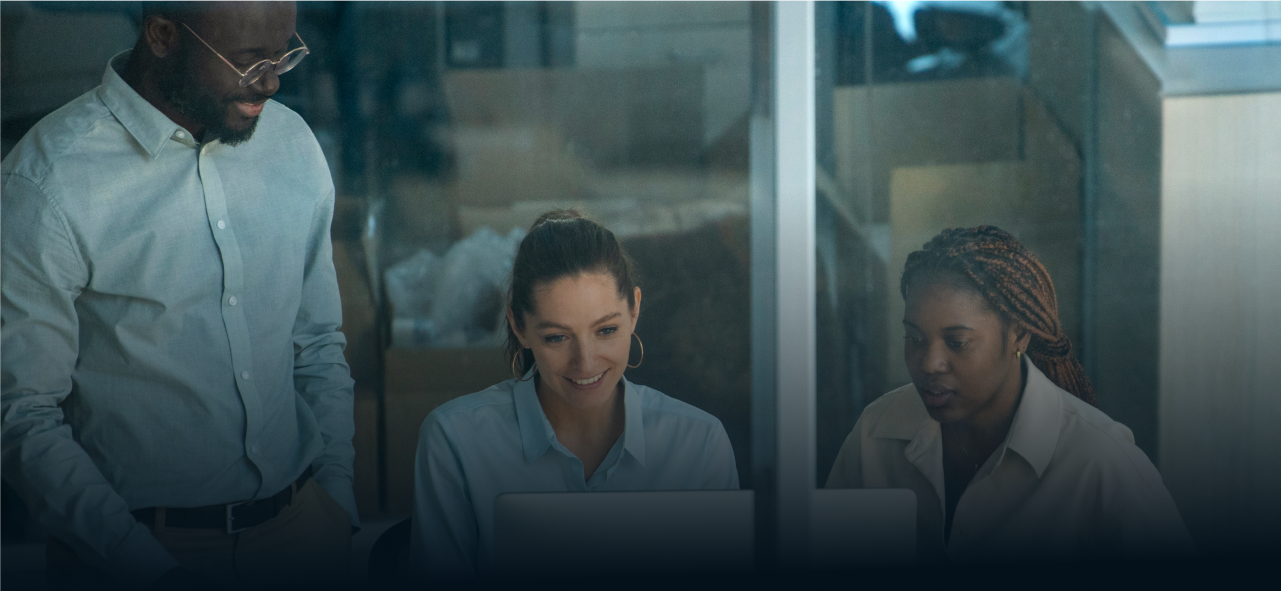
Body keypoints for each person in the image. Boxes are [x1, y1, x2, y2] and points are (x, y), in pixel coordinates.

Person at [0, 0, 356, 588]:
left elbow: (316, 341)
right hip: (131, 552)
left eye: (282, 54)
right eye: (247, 62)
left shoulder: (292, 145)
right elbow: (21, 412)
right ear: (163, 36)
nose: (270, 81)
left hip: (303, 536)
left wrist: (337, 500)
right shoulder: (47, 183)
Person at [826, 226, 1193, 563]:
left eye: (958, 342)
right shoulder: (876, 434)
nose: (930, 363)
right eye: (915, 339)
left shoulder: (1102, 464)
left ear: (1018, 335)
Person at [409, 210, 739, 583]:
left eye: (606, 330)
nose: (585, 362)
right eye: (557, 337)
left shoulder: (700, 445)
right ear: (519, 325)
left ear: (634, 310)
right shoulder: (455, 441)